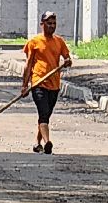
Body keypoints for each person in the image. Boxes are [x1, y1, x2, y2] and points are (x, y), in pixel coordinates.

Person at [21, 10, 72, 154]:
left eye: (54, 23)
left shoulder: (59, 41)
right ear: (42, 24)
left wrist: (67, 61)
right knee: (43, 113)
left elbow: (67, 58)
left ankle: (37, 143)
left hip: (54, 84)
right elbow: (28, 64)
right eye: (49, 23)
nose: (52, 26)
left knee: (46, 115)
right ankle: (47, 142)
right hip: (38, 83)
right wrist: (25, 85)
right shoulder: (34, 42)